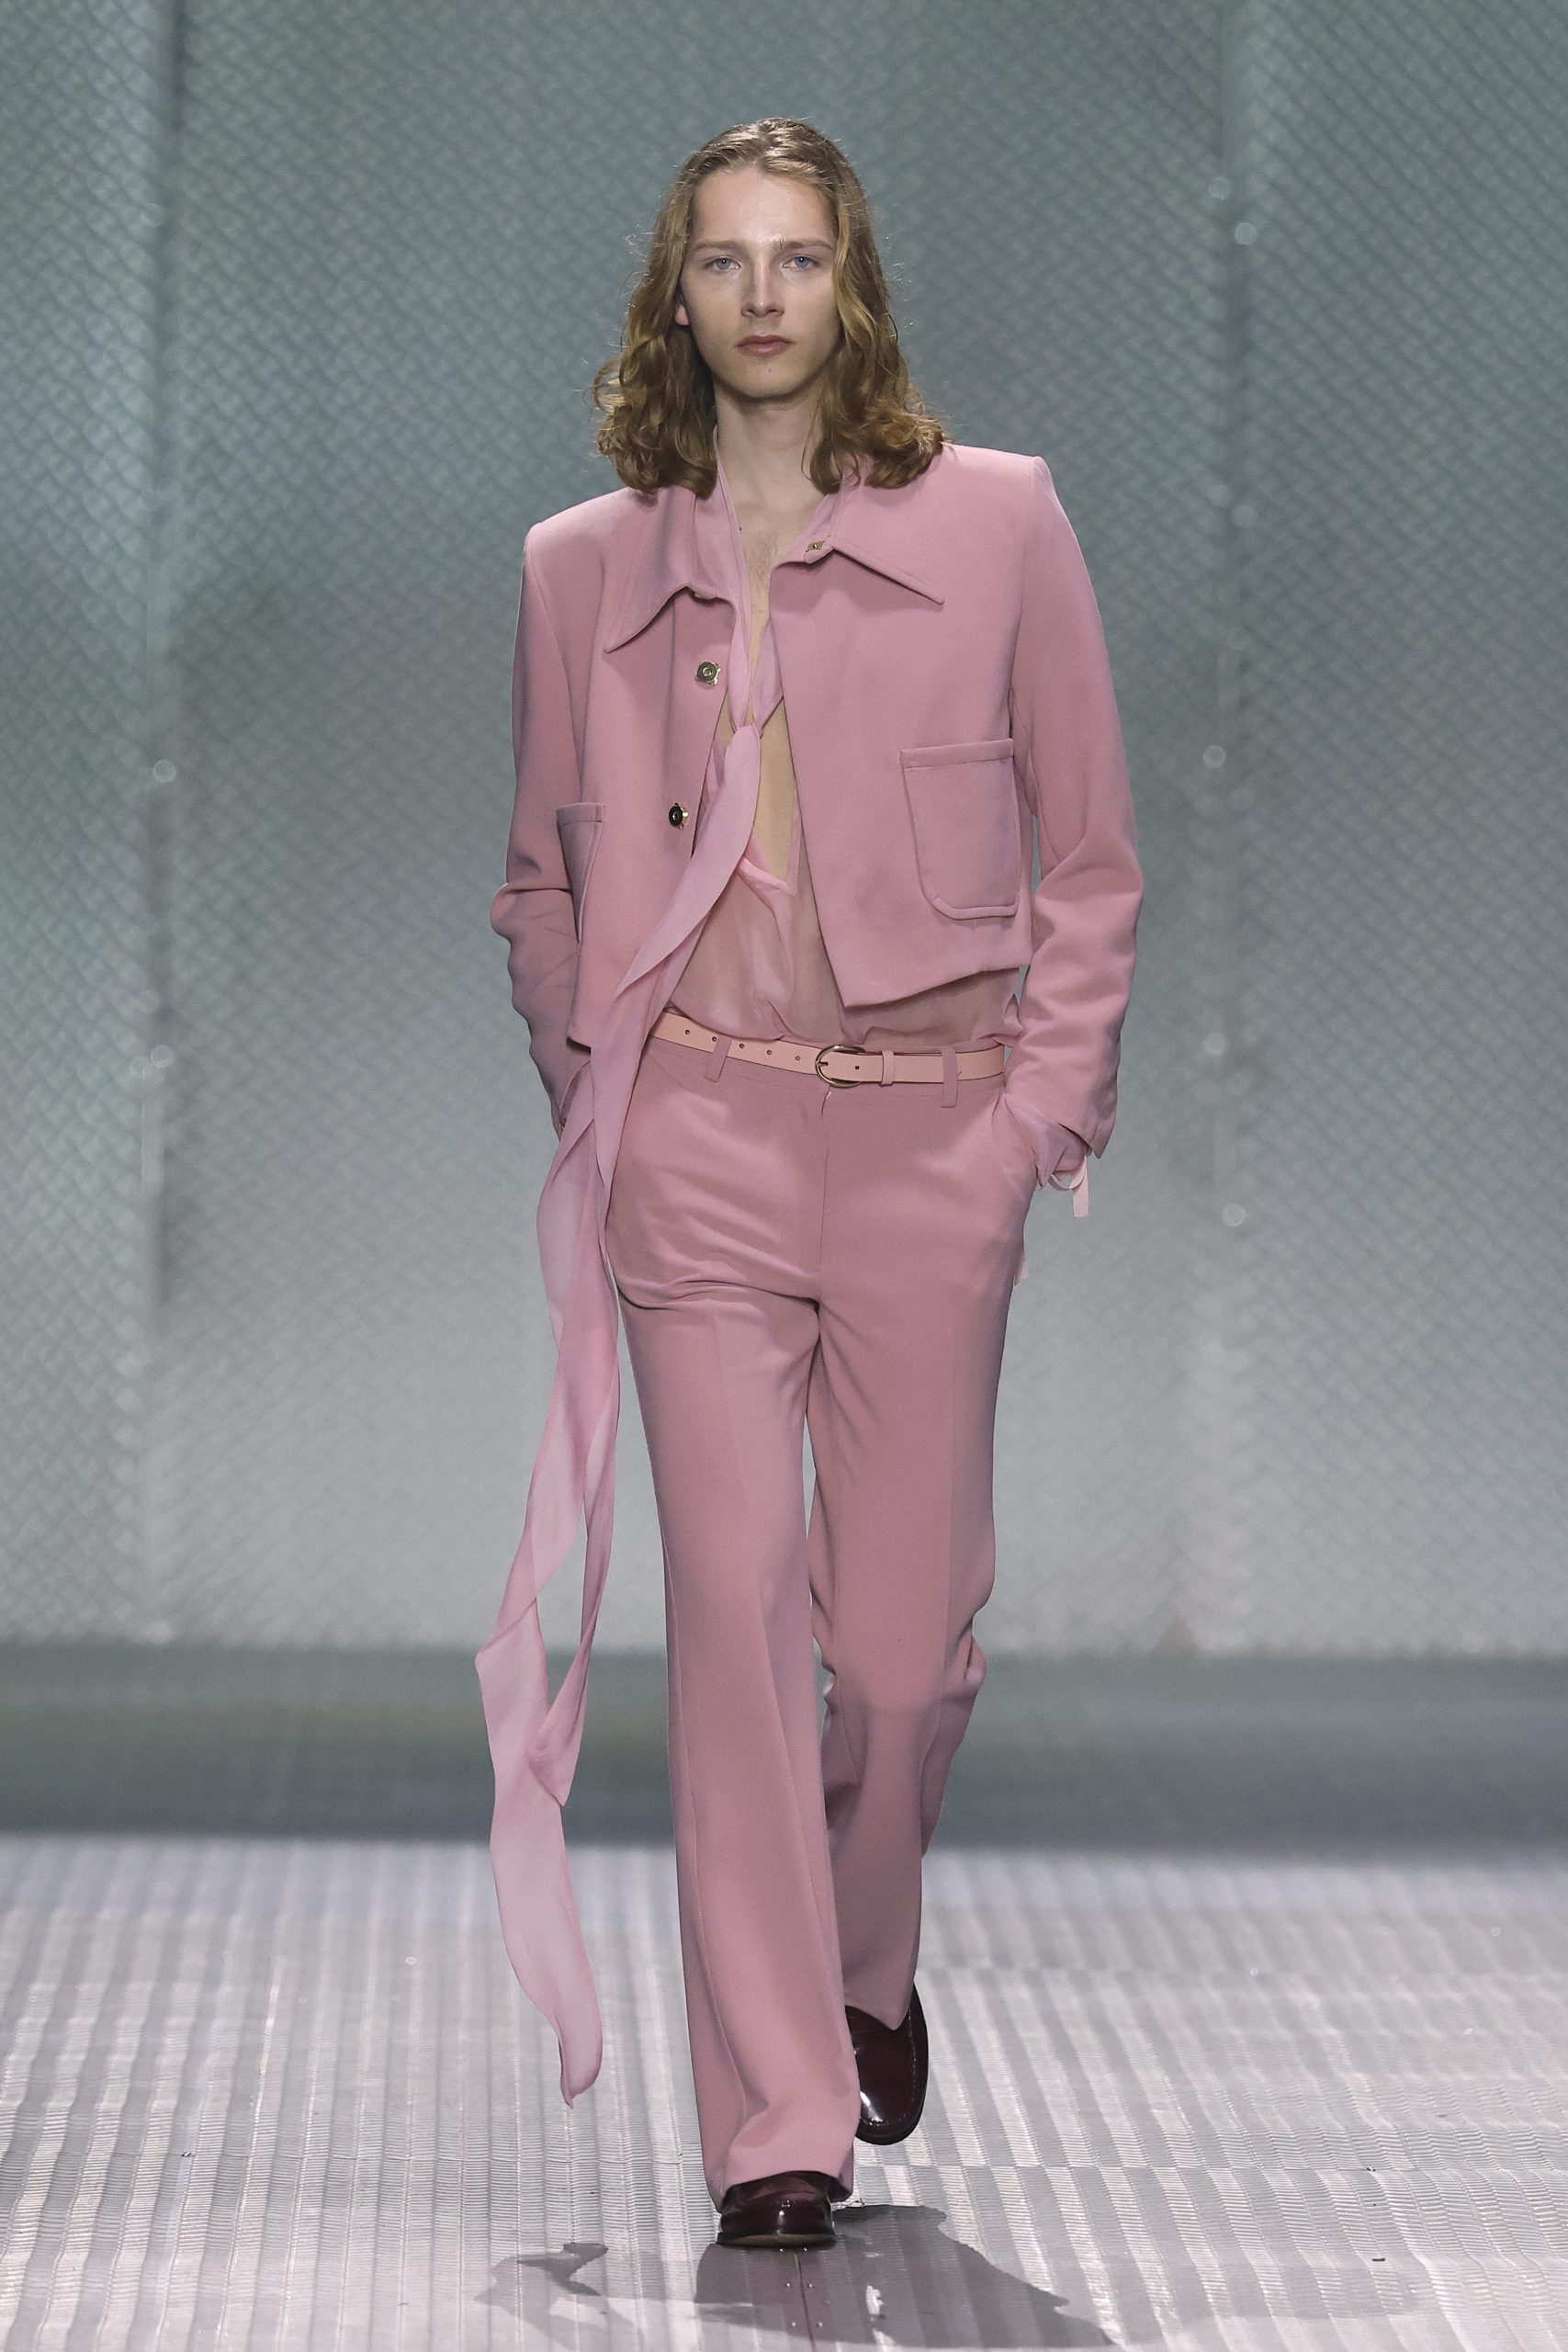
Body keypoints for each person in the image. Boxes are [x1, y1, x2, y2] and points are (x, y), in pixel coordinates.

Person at [476, 117, 1143, 2252]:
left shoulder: (999, 522)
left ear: (849, 284)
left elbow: (1090, 857)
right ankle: (775, 2113)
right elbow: (533, 878)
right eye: (723, 260)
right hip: (700, 1138)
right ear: (669, 297)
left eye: (795, 257)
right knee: (737, 1617)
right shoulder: (576, 568)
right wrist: (602, 1084)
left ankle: (863, 1966)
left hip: (934, 1131)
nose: (761, 295)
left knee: (904, 1651)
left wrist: (1036, 1119)